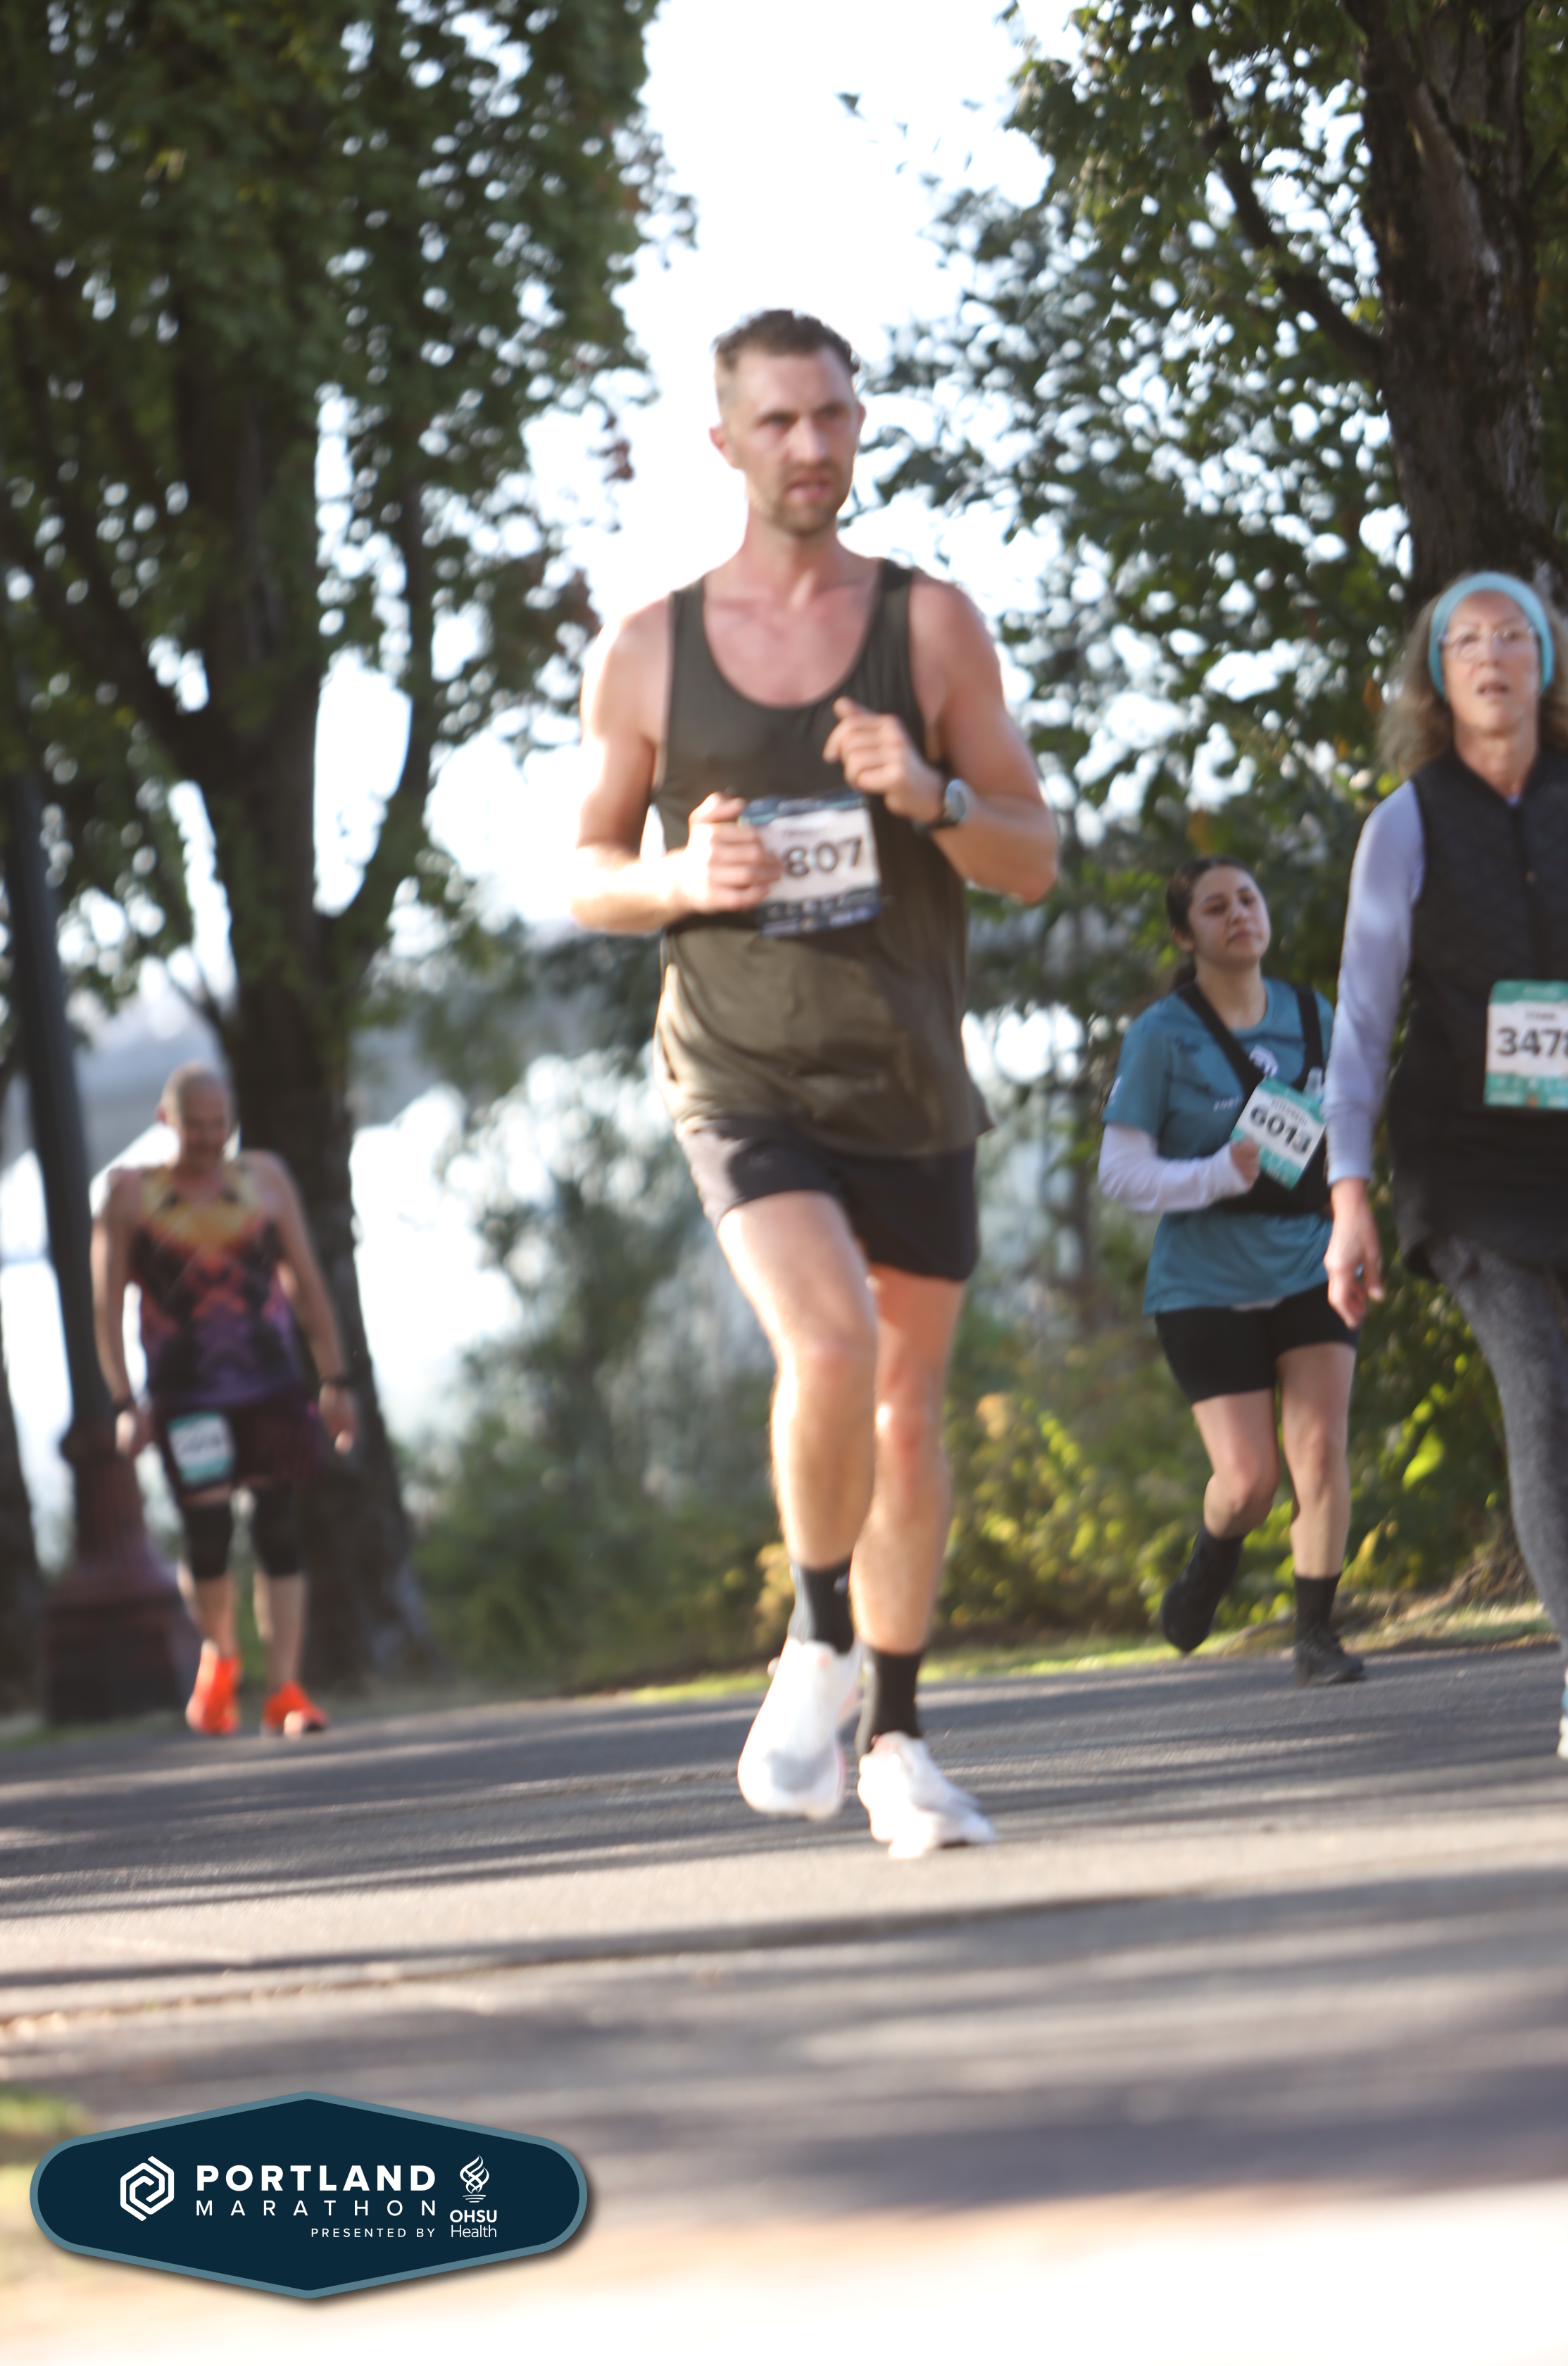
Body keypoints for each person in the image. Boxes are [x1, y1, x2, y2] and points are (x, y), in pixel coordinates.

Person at [570, 308, 1055, 1855]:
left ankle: (896, 1743)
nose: (810, 445)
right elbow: (585, 870)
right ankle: (816, 1638)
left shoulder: (929, 626)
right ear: (724, 442)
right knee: (830, 1341)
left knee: (906, 1419)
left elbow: (1033, 858)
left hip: (904, 1073)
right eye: (778, 421)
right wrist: (677, 879)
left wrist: (931, 793)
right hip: (740, 1069)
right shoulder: (649, 647)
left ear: (858, 425)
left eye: (832, 416)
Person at [1324, 570, 1568, 1754]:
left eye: (1514, 635)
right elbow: (1363, 1021)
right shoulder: (1406, 824)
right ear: (1436, 677)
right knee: (1544, 1397)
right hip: (1465, 1162)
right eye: (1465, 640)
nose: (1492, 655)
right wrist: (1348, 1198)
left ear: (1544, 664)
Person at [1098, 858, 1365, 1684]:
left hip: (1309, 1261)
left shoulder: (1312, 1015)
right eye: (1214, 908)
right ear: (1186, 935)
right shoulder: (1160, 1035)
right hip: (1203, 1283)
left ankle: (1314, 1636)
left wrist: (1354, 1221)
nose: (1237, 915)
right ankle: (1211, 1558)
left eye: (1247, 899)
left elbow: (1349, 1130)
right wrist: (1214, 1174)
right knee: (1248, 1483)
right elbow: (1119, 1173)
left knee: (1318, 1449)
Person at [92, 1063, 358, 1737]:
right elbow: (104, 1306)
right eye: (197, 1126)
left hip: (272, 1385)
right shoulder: (131, 1195)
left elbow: (306, 1282)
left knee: (278, 1527)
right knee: (209, 1533)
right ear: (166, 1121)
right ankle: (221, 1653)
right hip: (187, 1395)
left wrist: (336, 1380)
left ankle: (286, 1689)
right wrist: (124, 1402)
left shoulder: (264, 1180)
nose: (211, 1139)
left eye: (221, 1125)